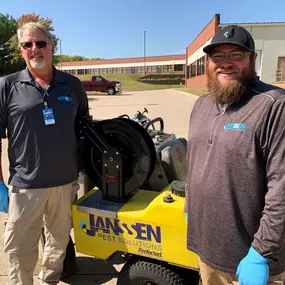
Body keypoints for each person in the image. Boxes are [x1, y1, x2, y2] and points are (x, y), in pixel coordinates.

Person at [184, 24, 285, 285]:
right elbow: (195, 161)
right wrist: (189, 205)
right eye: (218, 56)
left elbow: (281, 188)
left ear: (253, 59)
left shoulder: (274, 105)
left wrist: (261, 251)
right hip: (207, 248)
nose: (225, 64)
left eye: (236, 55)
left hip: (250, 258)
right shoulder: (202, 105)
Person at [0, 22, 89, 285]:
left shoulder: (72, 85)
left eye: (41, 43)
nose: (35, 49)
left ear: (52, 46)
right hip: (26, 186)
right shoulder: (7, 86)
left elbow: (83, 129)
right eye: (28, 45)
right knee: (19, 249)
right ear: (21, 50)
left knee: (59, 241)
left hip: (65, 184)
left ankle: (49, 280)